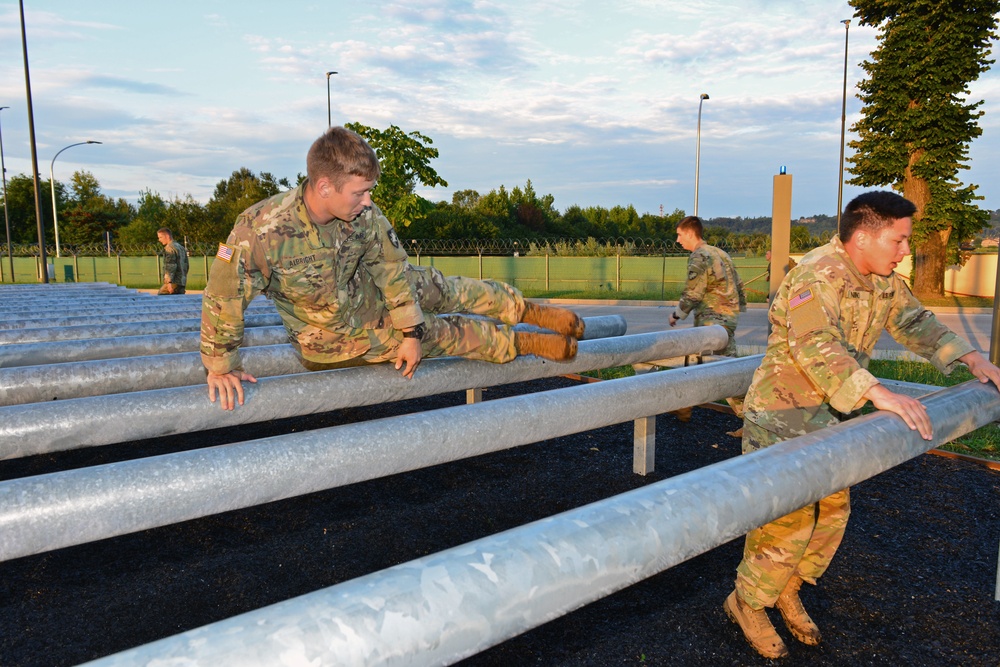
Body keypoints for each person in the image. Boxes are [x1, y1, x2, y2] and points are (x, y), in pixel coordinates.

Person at [723, 191, 1000, 659]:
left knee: (831, 513)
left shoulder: (883, 279)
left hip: (836, 415)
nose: (905, 250)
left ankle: (788, 588)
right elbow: (816, 342)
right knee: (784, 520)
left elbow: (914, 321)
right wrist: (877, 392)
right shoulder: (818, 274)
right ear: (864, 238)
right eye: (899, 240)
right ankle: (748, 603)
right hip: (783, 416)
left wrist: (972, 357)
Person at [200, 126, 584, 410]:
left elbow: (390, 267)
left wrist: (409, 328)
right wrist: (221, 366)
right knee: (441, 332)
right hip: (333, 335)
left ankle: (524, 310)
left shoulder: (363, 214)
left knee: (438, 286)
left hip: (369, 289)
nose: (368, 201)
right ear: (324, 187)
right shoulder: (260, 230)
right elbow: (223, 295)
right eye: (360, 192)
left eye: (370, 191)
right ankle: (521, 343)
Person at [668, 215, 747, 422]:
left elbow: (694, 291)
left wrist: (677, 314)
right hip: (727, 319)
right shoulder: (721, 253)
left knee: (716, 369)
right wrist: (734, 313)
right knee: (729, 371)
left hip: (712, 323)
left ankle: (682, 406)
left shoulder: (699, 256)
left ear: (689, 233)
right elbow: (739, 285)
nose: (678, 240)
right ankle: (751, 421)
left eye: (679, 235)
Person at [157, 228, 188, 295]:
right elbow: (186, 265)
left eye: (160, 237)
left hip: (174, 282)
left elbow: (170, 266)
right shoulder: (180, 247)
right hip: (182, 281)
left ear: (167, 236)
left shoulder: (169, 248)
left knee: (161, 297)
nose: (159, 240)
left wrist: (169, 283)